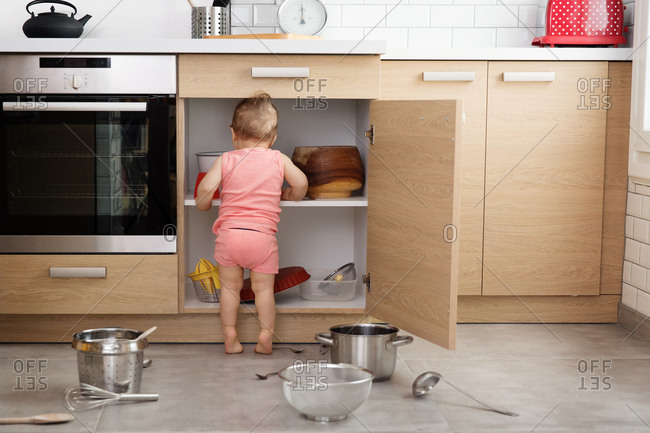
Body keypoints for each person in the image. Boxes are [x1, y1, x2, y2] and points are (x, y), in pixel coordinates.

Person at [195, 93, 308, 354]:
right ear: (274, 137)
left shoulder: (225, 159)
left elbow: (204, 193)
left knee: (231, 289)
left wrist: (204, 204)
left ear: (233, 133)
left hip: (230, 237)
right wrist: (290, 194)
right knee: (263, 290)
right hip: (262, 239)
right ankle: (265, 336)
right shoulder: (279, 159)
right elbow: (301, 183)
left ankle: (230, 335)